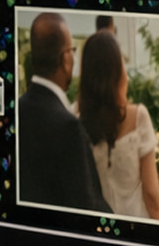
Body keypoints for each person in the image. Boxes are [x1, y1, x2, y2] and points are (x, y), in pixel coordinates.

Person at [17, 13, 109, 213]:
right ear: (65, 58)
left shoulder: (17, 110)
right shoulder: (68, 126)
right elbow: (86, 207)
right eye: (72, 50)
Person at [78, 30, 159, 221]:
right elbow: (151, 194)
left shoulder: (78, 124)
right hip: (135, 231)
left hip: (98, 230)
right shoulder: (138, 116)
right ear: (117, 74)